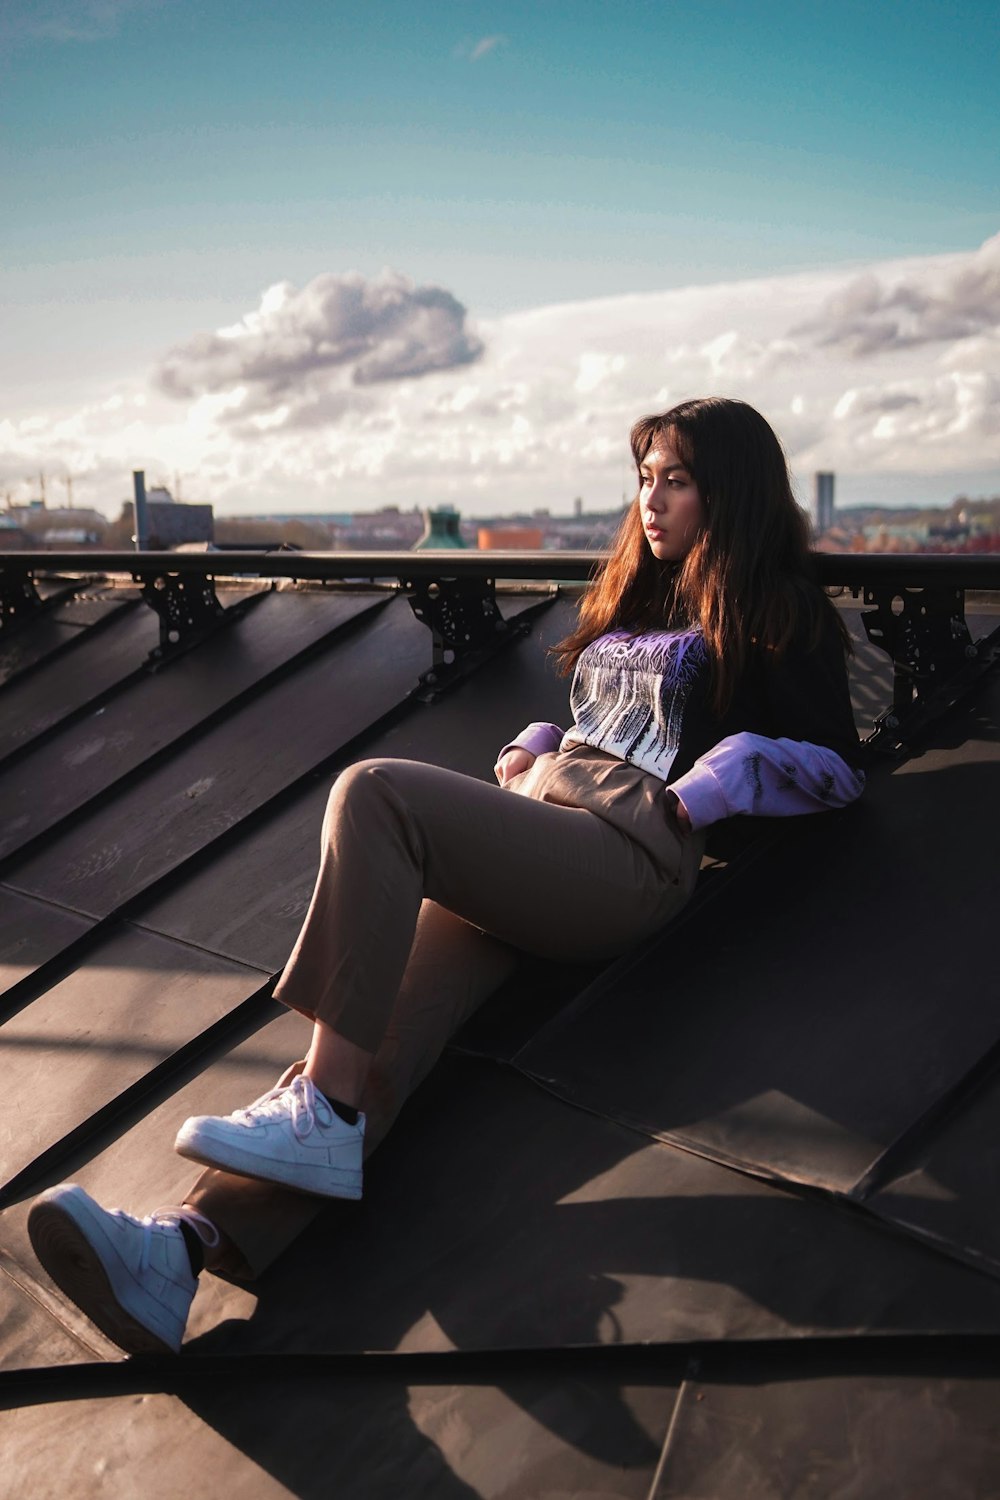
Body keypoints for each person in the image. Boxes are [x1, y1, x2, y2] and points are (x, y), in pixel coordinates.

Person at [28, 396, 865, 1356]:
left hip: (632, 852)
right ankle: (177, 1250)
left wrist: (703, 794)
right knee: (380, 1025)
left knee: (376, 792)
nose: (653, 500)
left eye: (677, 480)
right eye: (644, 478)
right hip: (551, 828)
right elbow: (601, 723)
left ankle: (319, 1113)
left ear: (734, 494)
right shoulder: (643, 598)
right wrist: (537, 745)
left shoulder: (775, 611)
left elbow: (836, 764)